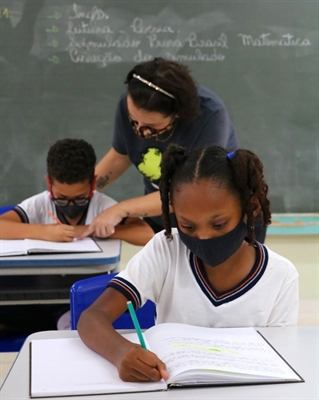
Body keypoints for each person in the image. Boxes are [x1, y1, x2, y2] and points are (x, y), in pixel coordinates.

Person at [77, 144, 299, 383]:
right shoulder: (166, 249)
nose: (202, 237)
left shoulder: (281, 276)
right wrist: (120, 353)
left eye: (219, 224)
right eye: (188, 226)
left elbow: (281, 361)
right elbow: (92, 318)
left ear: (250, 208)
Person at [80, 57, 262, 241]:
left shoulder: (209, 116)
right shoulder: (129, 104)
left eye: (151, 126)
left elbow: (190, 191)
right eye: (133, 121)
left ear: (177, 115)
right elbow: (120, 156)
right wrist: (83, 190)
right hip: (164, 215)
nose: (140, 131)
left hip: (218, 222)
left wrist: (121, 210)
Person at [0, 138, 153, 337]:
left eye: (80, 198)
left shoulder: (102, 206)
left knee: (74, 331)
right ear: (49, 184)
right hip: (36, 294)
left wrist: (94, 229)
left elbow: (146, 234)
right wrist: (44, 232)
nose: (70, 205)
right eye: (61, 198)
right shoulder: (39, 204)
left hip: (80, 302)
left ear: (92, 185)